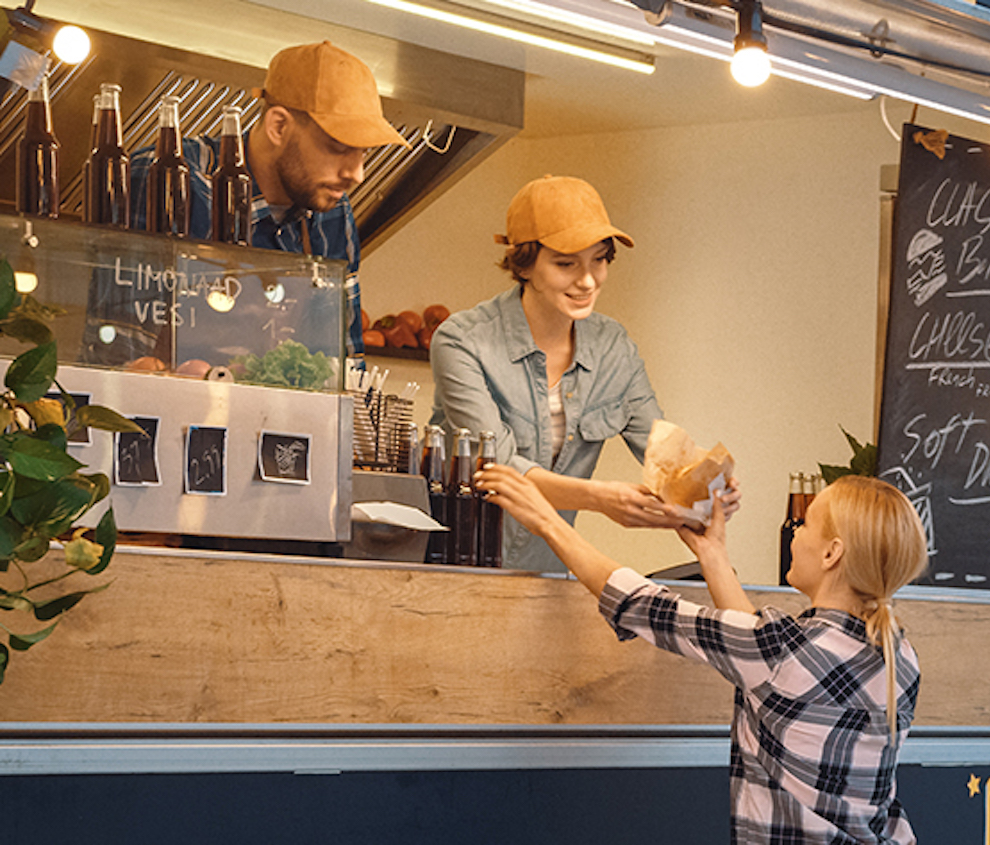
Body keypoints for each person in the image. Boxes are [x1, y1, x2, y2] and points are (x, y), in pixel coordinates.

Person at [479, 466, 927, 844]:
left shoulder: (780, 647)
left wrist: (549, 522)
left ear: (832, 553)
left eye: (806, 523)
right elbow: (761, 662)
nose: (796, 531)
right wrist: (712, 552)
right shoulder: (899, 655)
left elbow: (641, 605)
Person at [430, 174, 736, 572]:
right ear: (524, 264)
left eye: (600, 260)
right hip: (453, 567)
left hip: (550, 573)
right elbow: (499, 469)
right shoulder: (462, 341)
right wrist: (600, 498)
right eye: (565, 264)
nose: (588, 280)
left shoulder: (613, 347)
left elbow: (663, 454)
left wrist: (708, 488)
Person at [127, 40, 409, 359]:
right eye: (339, 148)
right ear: (279, 126)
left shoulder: (332, 211)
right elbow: (124, 356)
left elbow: (342, 365)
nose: (357, 174)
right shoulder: (169, 179)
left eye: (364, 153)